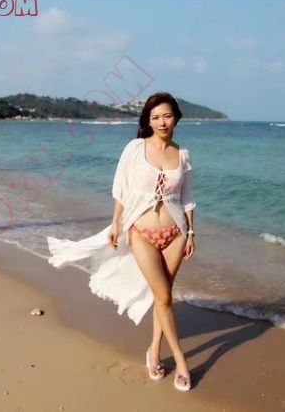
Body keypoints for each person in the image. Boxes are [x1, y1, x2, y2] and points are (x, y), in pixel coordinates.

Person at [46, 91, 196, 391]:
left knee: (163, 296)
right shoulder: (135, 148)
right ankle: (181, 360)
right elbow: (122, 189)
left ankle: (153, 351)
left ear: (176, 118)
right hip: (141, 232)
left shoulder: (182, 154)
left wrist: (191, 233)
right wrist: (116, 223)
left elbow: (187, 198)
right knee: (164, 297)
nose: (162, 122)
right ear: (148, 121)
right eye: (155, 117)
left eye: (167, 116)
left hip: (176, 233)